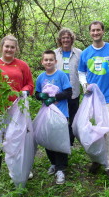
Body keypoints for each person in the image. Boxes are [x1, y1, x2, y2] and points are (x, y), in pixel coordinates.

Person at [78, 21, 109, 185]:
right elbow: (81, 73)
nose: (95, 33)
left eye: (98, 30)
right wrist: (85, 86)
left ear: (103, 31)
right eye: (93, 30)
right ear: (89, 33)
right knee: (90, 131)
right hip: (91, 99)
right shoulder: (85, 53)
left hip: (108, 98)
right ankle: (97, 159)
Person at [0, 35, 34, 183]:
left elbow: (30, 84)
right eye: (7, 46)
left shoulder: (22, 65)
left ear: (16, 49)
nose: (9, 49)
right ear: (1, 47)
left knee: (18, 139)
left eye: (12, 47)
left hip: (17, 110)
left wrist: (25, 91)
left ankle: (19, 168)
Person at [35, 50, 72, 185]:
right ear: (42, 62)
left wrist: (54, 97)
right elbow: (37, 93)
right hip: (46, 113)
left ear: (56, 61)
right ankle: (53, 163)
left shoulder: (61, 75)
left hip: (60, 113)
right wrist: (41, 96)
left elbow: (69, 92)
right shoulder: (40, 77)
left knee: (60, 139)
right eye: (46, 60)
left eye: (51, 59)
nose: (48, 62)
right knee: (48, 138)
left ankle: (61, 168)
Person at [54, 28, 82, 146]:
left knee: (73, 118)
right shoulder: (54, 53)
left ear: (72, 39)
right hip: (59, 92)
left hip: (74, 90)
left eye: (68, 37)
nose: (66, 40)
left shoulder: (79, 53)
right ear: (60, 40)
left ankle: (70, 142)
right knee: (61, 118)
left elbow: (83, 71)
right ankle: (61, 141)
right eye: (63, 38)